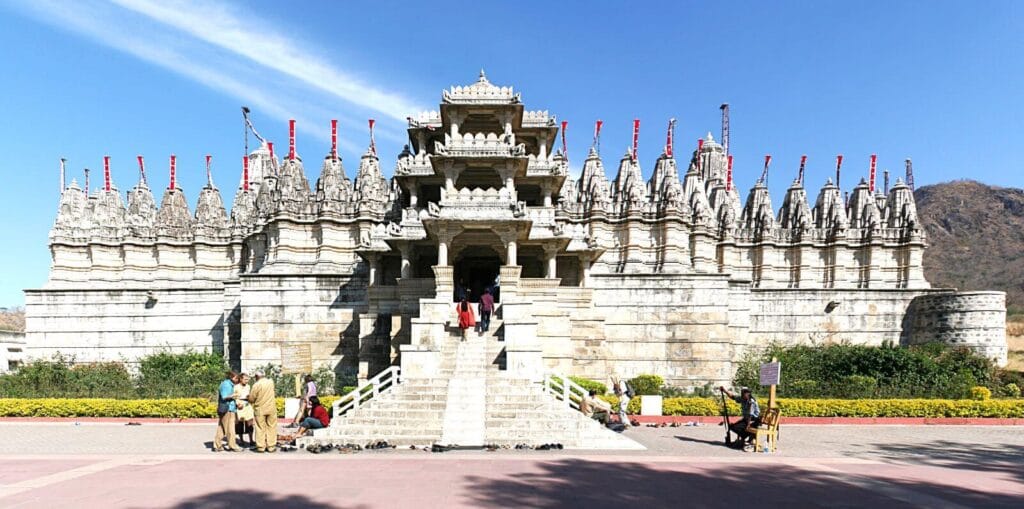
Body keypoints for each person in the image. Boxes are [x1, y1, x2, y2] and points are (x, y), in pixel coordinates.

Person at [247, 369, 278, 453]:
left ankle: (261, 447)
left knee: (260, 428)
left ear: (257, 376)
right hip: (271, 408)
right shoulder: (271, 382)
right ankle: (271, 446)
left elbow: (252, 398)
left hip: (260, 409)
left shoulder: (256, 385)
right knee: (271, 427)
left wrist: (248, 398)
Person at [213, 370, 241, 452]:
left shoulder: (230, 384)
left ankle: (217, 445)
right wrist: (233, 396)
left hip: (230, 408)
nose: (238, 380)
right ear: (232, 377)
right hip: (227, 409)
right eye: (237, 378)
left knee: (221, 428)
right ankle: (232, 445)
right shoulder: (226, 385)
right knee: (230, 428)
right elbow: (224, 397)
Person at [234, 373, 254, 446]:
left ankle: (251, 440)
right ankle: (241, 440)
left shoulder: (248, 386)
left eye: (247, 379)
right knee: (240, 424)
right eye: (245, 379)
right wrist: (237, 404)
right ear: (241, 379)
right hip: (240, 404)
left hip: (247, 404)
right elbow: (235, 397)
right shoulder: (236, 387)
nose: (246, 381)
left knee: (250, 423)